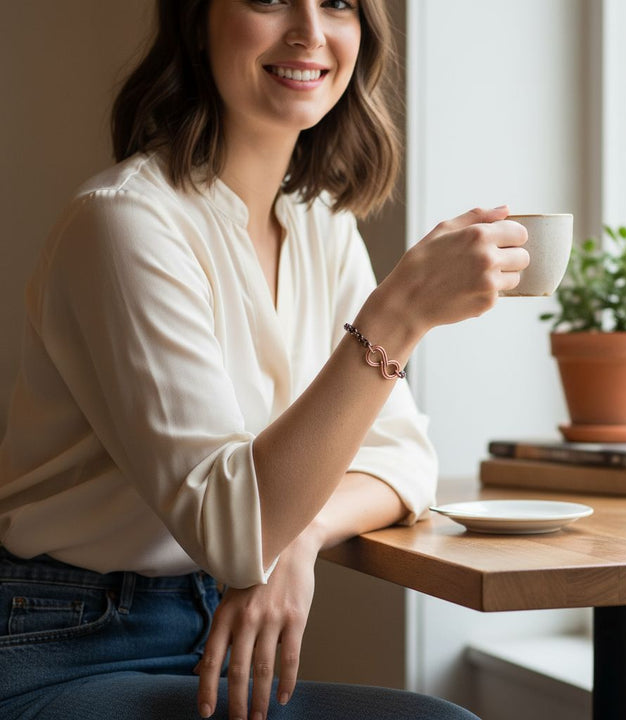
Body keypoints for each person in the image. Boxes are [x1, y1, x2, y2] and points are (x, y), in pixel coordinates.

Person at [0, 1, 528, 718]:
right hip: (62, 645)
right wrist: (399, 317)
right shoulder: (124, 225)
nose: (309, 30)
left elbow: (405, 459)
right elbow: (237, 529)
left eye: (338, 3)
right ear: (197, 23)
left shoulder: (323, 226)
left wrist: (300, 535)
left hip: (208, 630)